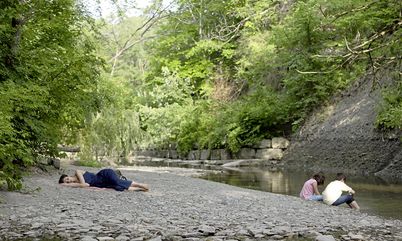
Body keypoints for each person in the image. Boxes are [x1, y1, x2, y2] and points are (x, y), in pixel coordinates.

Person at [59, 168, 149, 192]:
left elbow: (84, 185)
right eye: (67, 182)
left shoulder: (78, 172)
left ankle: (140, 184)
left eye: (67, 179)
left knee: (117, 182)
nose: (69, 181)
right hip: (102, 184)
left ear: (68, 175)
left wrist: (67, 185)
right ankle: (141, 189)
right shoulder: (78, 184)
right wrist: (67, 185)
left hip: (104, 175)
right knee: (119, 187)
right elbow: (85, 185)